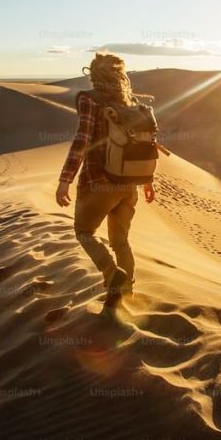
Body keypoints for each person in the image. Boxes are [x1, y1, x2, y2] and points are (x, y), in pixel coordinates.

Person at [55, 52, 155, 310]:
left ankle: (111, 274)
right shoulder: (130, 103)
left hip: (97, 183)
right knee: (121, 241)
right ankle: (127, 295)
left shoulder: (89, 100)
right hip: (128, 184)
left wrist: (65, 179)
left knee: (84, 232)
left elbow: (82, 139)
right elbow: (144, 145)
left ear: (94, 74)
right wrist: (147, 180)